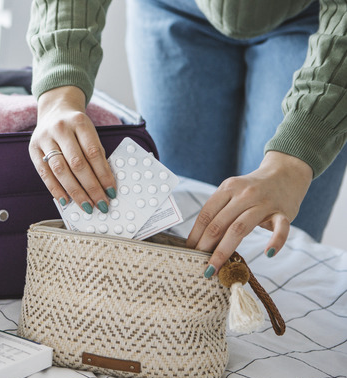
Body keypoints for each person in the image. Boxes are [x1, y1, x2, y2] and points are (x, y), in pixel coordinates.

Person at [27, 0, 347, 278]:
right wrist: (59, 89)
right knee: (183, 236)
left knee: (273, 251)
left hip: (318, 21)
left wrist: (292, 162)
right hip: (172, 9)